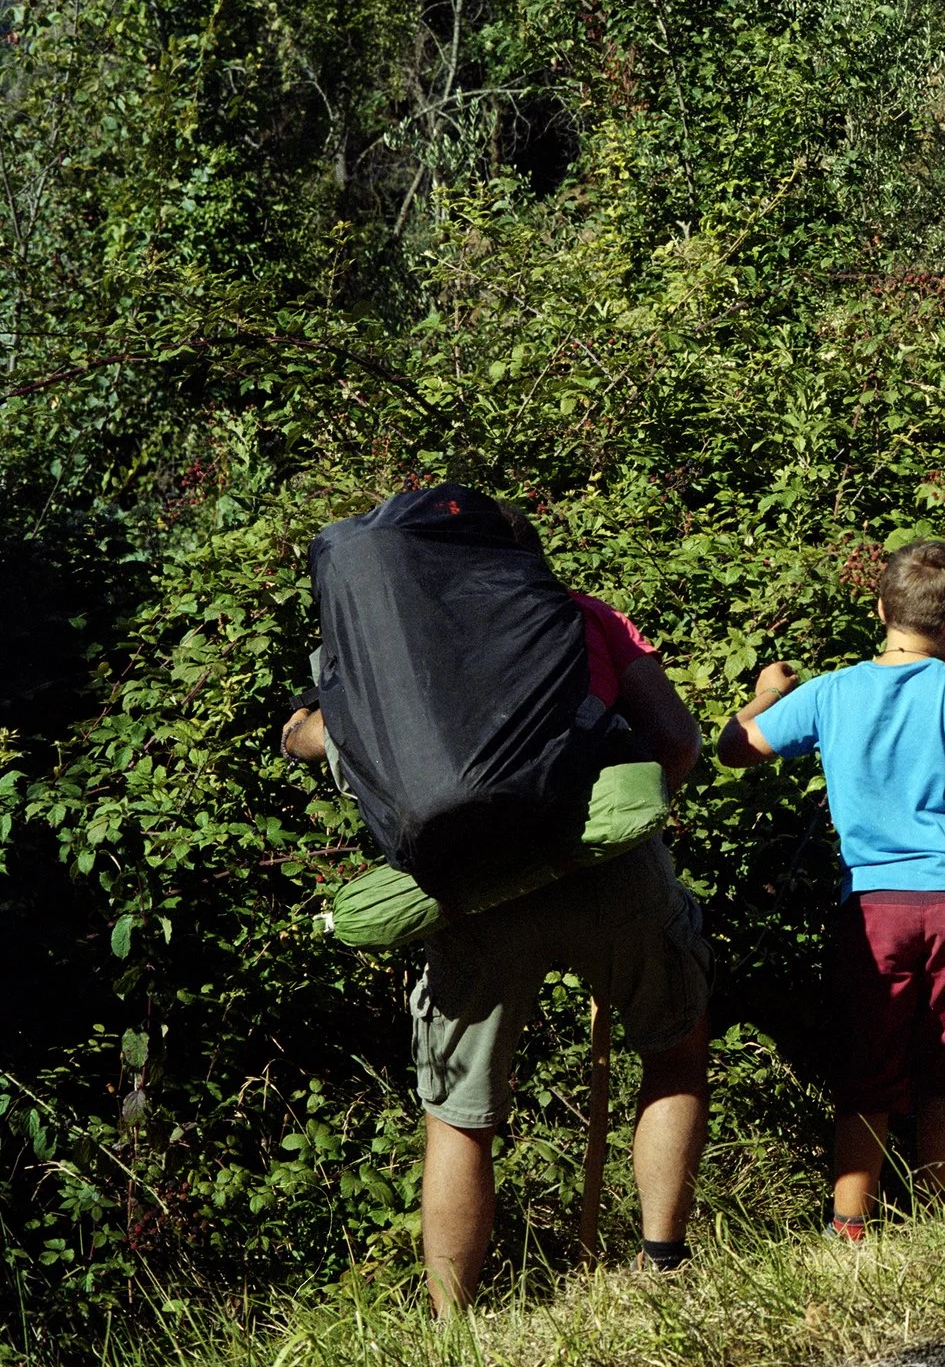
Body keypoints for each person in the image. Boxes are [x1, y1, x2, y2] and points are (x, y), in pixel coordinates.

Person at [283, 508, 712, 1315]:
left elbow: (302, 739)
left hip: (467, 895)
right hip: (609, 872)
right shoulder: (580, 616)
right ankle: (662, 1268)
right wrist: (607, 821)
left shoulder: (382, 665)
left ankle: (453, 1333)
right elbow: (678, 744)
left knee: (459, 1116)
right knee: (674, 1049)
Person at [717, 539, 945, 1239]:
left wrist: (769, 691)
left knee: (867, 1066)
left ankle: (849, 1226)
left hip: (872, 908)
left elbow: (735, 748)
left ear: (880, 609)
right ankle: (938, 1216)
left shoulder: (832, 690)